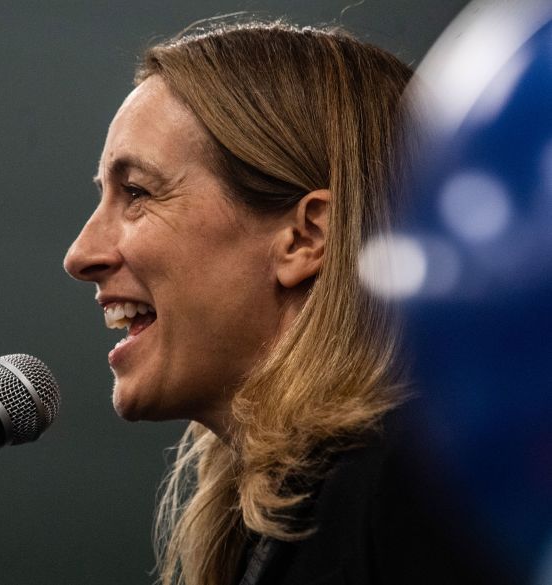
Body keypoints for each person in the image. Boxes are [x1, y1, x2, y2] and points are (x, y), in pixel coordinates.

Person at [63, 18, 507, 585]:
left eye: (137, 193)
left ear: (306, 238)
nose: (80, 254)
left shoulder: (413, 492)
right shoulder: (301, 513)